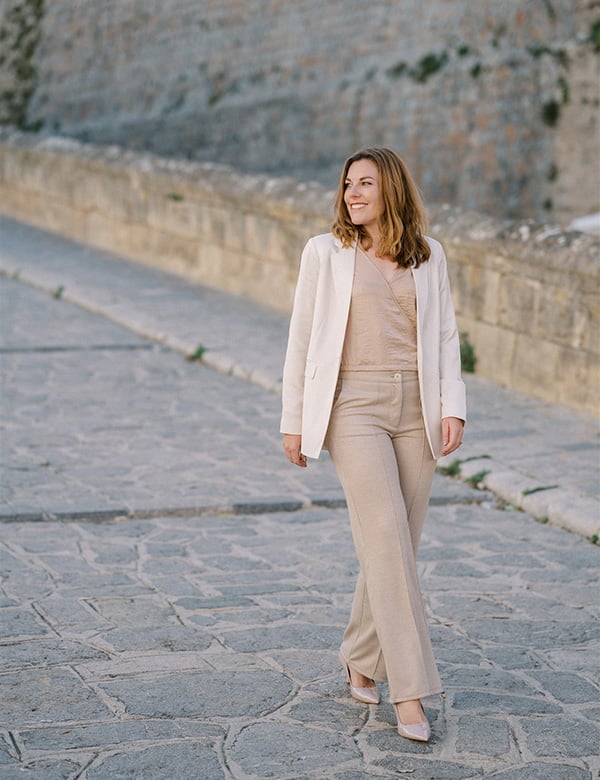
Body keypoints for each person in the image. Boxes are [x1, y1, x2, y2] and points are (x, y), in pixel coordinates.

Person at [280, 147, 466, 743]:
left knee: (396, 547)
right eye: (346, 184)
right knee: (385, 537)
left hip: (418, 407)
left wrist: (453, 405)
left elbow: (444, 333)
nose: (351, 193)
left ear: (392, 190)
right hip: (351, 407)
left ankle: (360, 655)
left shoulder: (429, 255)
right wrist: (294, 419)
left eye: (365, 183)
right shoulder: (324, 253)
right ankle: (409, 692)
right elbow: (302, 337)